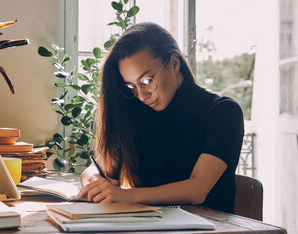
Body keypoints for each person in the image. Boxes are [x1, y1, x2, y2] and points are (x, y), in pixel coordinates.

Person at [77, 22, 244, 214]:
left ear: (174, 64)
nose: (141, 95)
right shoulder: (138, 112)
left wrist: (125, 195)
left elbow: (197, 190)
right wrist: (95, 182)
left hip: (209, 229)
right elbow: (96, 168)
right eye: (131, 87)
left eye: (147, 81)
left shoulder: (223, 112)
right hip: (148, 225)